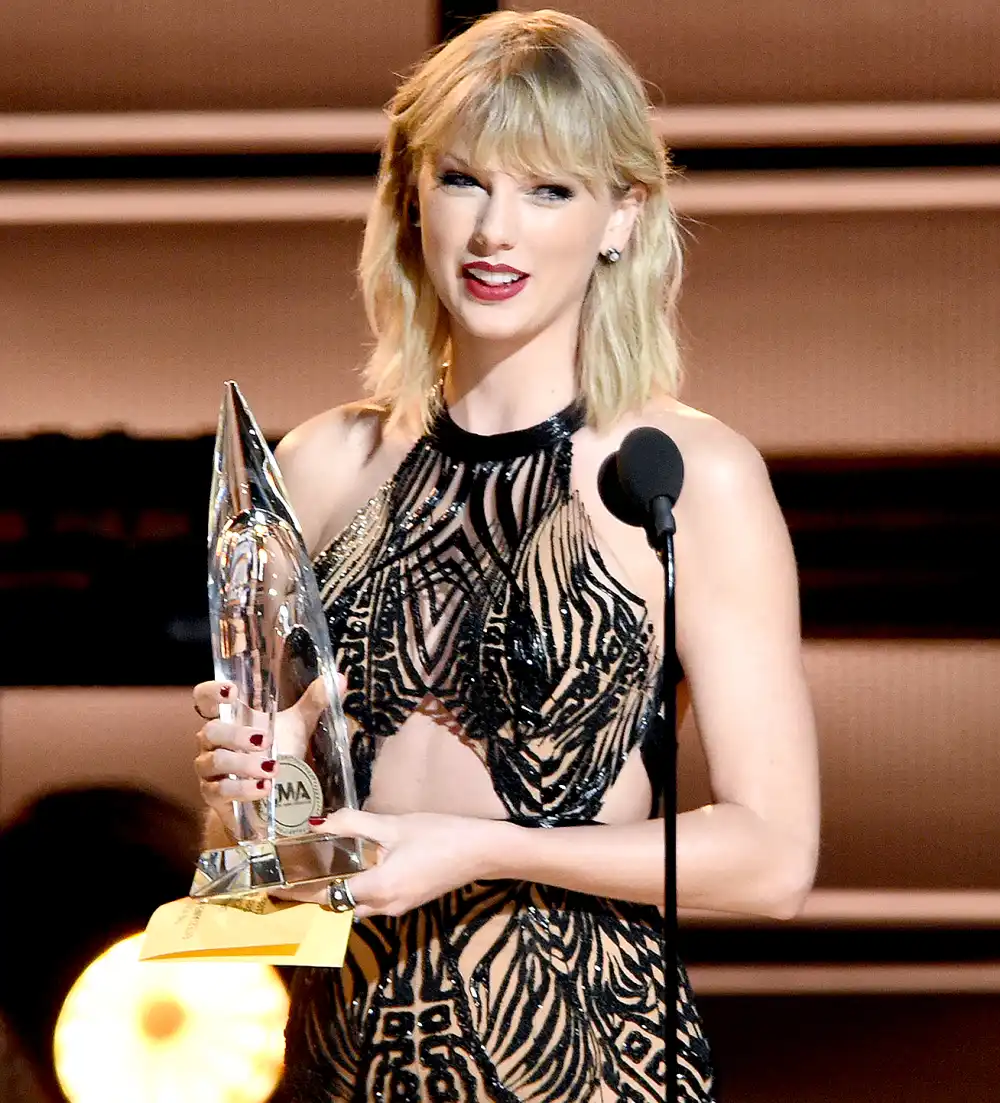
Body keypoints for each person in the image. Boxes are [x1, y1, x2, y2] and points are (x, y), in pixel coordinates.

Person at [193, 9, 820, 1101]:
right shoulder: (323, 463)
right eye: (464, 180)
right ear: (409, 194)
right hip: (345, 1062)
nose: (496, 231)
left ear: (621, 215)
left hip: (586, 1060)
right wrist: (244, 789)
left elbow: (772, 859)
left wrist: (479, 846)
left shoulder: (684, 474)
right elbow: (267, 870)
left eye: (548, 190)